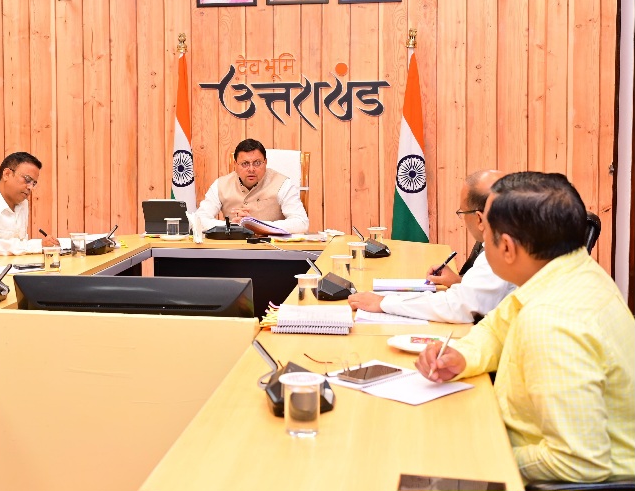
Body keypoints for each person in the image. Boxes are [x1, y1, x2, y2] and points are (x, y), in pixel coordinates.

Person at [416, 172, 635, 483]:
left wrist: (484, 456)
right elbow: (496, 328)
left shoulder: (552, 323)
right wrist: (462, 356)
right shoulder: (572, 271)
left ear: (506, 247)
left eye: (486, 232)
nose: (482, 240)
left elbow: (581, 462)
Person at [347, 170, 515, 323]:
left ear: (479, 219)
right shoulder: (512, 235)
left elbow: (460, 307)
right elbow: (488, 292)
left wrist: (383, 302)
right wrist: (460, 282)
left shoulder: (501, 249)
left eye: (462, 213)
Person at [195, 139, 309, 234]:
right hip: (231, 248)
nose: (251, 169)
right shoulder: (220, 185)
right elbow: (198, 220)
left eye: (257, 163)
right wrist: (233, 227)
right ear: (235, 165)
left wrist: (256, 225)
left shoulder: (282, 184)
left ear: (265, 162)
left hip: (270, 249)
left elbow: (301, 223)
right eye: (245, 164)